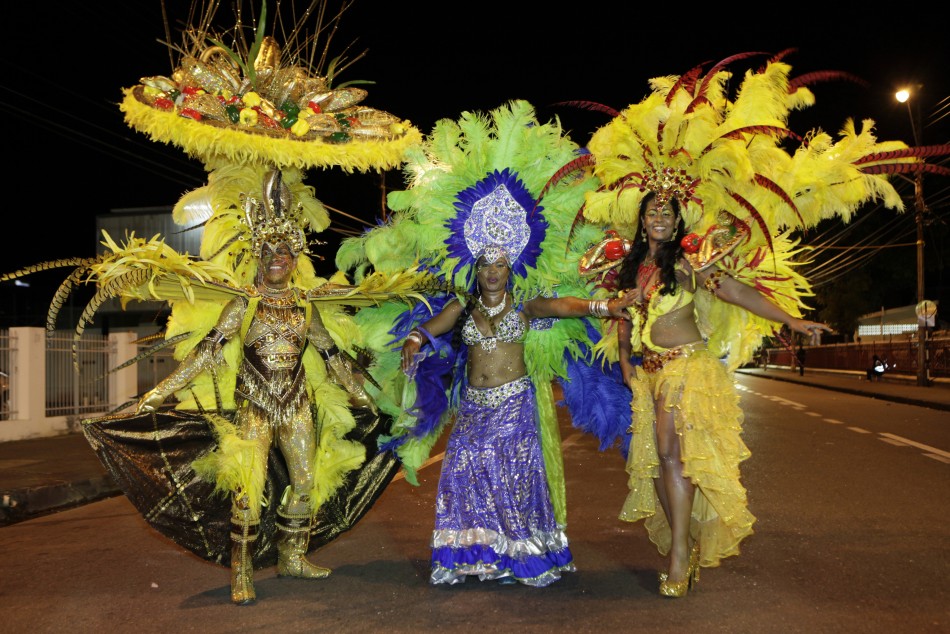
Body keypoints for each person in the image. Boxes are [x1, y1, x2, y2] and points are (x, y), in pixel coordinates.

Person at [135, 170, 384, 605]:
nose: (276, 259)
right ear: (257, 256)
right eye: (268, 251)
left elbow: (332, 357)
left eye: (284, 253)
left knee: (306, 482)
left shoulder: (307, 307)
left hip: (298, 404)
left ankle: (292, 556)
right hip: (255, 404)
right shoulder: (242, 304)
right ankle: (242, 570)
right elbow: (207, 353)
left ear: (294, 259)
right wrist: (162, 391)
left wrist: (362, 393)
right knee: (246, 491)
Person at [615, 193, 831, 597]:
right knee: (655, 460)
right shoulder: (633, 267)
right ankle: (686, 538)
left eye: (667, 213)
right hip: (649, 374)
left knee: (670, 449)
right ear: (642, 221)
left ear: (678, 223)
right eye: (652, 212)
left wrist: (791, 320)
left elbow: (733, 291)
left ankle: (680, 554)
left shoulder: (686, 262)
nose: (659, 217)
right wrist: (626, 359)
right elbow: (626, 318)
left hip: (687, 366)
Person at [399, 245, 635, 586]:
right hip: (474, 405)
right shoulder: (462, 307)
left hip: (514, 402)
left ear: (510, 271)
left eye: (500, 265)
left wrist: (605, 306)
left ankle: (518, 555)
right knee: (464, 476)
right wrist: (413, 341)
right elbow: (425, 329)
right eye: (485, 266)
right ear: (476, 271)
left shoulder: (524, 304)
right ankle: (476, 556)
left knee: (512, 479)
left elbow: (563, 306)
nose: (493, 272)